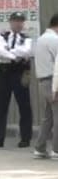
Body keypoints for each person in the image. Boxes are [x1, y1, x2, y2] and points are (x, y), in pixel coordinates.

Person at [0, 11, 33, 148]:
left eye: (20, 21)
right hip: (4, 74)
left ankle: (25, 138)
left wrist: (7, 53)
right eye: (15, 21)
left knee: (24, 107)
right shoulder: (1, 37)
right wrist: (14, 55)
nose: (18, 23)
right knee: (2, 107)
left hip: (20, 74)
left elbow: (27, 51)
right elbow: (1, 51)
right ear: (10, 22)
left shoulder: (27, 39)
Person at [32, 13, 58, 158]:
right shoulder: (54, 39)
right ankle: (56, 149)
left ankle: (40, 148)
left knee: (49, 116)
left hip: (43, 81)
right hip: (53, 80)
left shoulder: (42, 38)